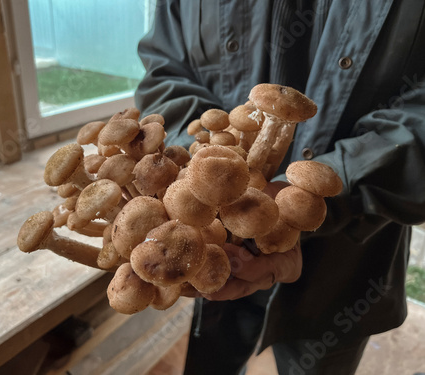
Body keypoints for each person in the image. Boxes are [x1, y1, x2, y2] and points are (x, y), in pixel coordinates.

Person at [134, 1, 425, 374]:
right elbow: (165, 67)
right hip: (216, 249)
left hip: (346, 270)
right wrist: (199, 178)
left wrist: (320, 195)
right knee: (210, 362)